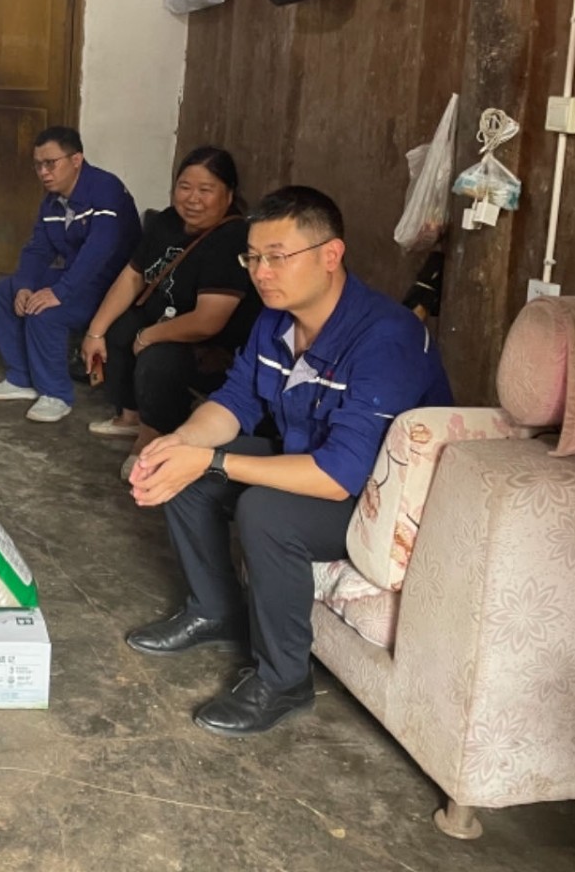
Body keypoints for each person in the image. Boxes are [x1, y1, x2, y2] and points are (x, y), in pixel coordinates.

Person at [124, 186, 451, 736]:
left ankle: (284, 680)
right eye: (252, 257)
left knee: (266, 512)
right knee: (187, 473)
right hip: (312, 458)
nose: (261, 272)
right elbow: (235, 402)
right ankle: (214, 611)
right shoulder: (275, 321)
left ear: (330, 255)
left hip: (379, 498)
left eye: (277, 257)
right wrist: (180, 445)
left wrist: (211, 461)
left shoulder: (386, 337)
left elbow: (338, 475)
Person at [80, 147, 260, 477]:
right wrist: (95, 331)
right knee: (119, 328)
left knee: (158, 360)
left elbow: (208, 321)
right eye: (184, 187)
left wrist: (149, 336)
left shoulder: (232, 239)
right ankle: (131, 417)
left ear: (229, 194)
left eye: (206, 190)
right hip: (164, 318)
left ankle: (152, 437)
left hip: (211, 348)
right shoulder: (166, 222)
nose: (193, 199)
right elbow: (132, 276)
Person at [0, 127, 140, 423]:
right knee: (7, 290)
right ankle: (21, 378)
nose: (43, 172)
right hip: (76, 278)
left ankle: (55, 394)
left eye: (50, 163)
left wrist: (59, 292)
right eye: (38, 165)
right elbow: (38, 248)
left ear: (76, 159)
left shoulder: (104, 188)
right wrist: (25, 285)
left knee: (45, 312)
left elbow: (99, 250)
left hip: (111, 286)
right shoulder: (51, 202)